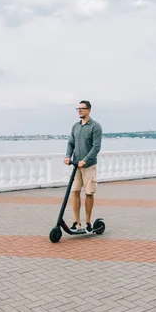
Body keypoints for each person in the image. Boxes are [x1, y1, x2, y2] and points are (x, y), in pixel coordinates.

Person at [64, 100, 103, 233]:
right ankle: (76, 222)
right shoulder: (75, 126)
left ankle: (88, 222)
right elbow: (70, 143)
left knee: (89, 193)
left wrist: (85, 160)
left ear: (89, 110)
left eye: (82, 108)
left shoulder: (95, 127)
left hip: (89, 166)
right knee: (74, 192)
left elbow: (96, 147)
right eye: (78, 109)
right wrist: (68, 156)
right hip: (76, 166)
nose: (79, 111)